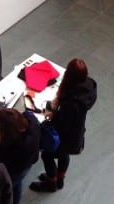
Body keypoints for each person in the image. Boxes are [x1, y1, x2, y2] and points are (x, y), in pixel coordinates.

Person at [30, 58, 97, 192]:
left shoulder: (71, 103)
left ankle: (51, 183)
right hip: (76, 134)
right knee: (64, 155)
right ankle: (59, 179)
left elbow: (62, 122)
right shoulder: (89, 85)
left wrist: (51, 114)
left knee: (47, 156)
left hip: (63, 136)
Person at [0, 108, 40, 204]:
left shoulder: (5, 146)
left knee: (7, 191)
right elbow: (28, 114)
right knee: (18, 184)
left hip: (12, 171)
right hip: (26, 165)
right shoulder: (33, 123)